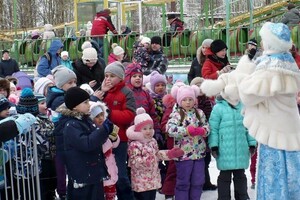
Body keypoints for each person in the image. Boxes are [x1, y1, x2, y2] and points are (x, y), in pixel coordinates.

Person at [238, 22, 300, 200]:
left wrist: (242, 75)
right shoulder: (289, 61)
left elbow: (249, 95)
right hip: (291, 126)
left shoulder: (269, 65)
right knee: (293, 177)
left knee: (274, 180)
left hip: (273, 131)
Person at [55, 87, 114, 200]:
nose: (88, 105)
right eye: (85, 102)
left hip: (93, 172)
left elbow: (95, 139)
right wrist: (103, 130)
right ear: (75, 106)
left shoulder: (85, 120)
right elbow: (86, 143)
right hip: (83, 174)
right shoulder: (71, 125)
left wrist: (106, 131)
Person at [126, 107, 184, 200]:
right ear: (138, 130)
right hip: (141, 183)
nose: (148, 131)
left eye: (150, 128)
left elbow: (157, 154)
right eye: (144, 129)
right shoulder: (134, 144)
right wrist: (151, 159)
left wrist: (170, 154)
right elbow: (135, 162)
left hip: (153, 180)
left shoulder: (152, 141)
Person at [208, 93, 256, 200]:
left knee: (240, 176)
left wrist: (252, 143)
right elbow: (213, 129)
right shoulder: (218, 108)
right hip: (224, 149)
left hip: (241, 148)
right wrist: (214, 145)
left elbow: (249, 127)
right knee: (224, 176)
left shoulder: (244, 107)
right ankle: (223, 198)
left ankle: (242, 197)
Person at [166, 84, 209, 200]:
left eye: (190, 99)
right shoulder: (176, 114)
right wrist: (185, 130)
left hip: (199, 153)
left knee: (198, 181)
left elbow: (207, 128)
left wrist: (202, 130)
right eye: (184, 100)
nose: (188, 102)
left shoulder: (199, 113)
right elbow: (169, 129)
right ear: (180, 101)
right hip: (183, 155)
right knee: (183, 183)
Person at [101, 61, 136, 200]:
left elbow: (129, 114)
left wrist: (109, 113)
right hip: (102, 138)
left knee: (120, 173)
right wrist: (102, 92)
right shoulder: (103, 91)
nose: (108, 79)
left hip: (120, 139)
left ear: (120, 78)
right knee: (106, 172)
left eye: (112, 76)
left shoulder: (126, 92)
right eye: (106, 75)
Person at [46, 65, 77, 200]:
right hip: (61, 138)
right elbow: (72, 110)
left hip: (66, 137)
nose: (74, 85)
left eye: (75, 82)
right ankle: (63, 192)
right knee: (62, 167)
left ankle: (68, 190)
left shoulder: (63, 95)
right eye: (70, 83)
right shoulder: (59, 99)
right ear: (60, 84)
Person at [190, 77, 217, 191]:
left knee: (206, 160)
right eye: (197, 85)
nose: (200, 88)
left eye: (202, 85)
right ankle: (197, 183)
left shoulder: (207, 101)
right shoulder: (190, 100)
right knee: (196, 162)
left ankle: (206, 182)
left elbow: (210, 117)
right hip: (193, 136)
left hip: (205, 134)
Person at [90, 101, 120, 200]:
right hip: (101, 170)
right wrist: (108, 140)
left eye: (102, 115)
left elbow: (115, 145)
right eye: (97, 116)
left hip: (110, 167)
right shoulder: (92, 133)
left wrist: (114, 138)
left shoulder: (107, 127)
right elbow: (99, 148)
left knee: (111, 194)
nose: (101, 118)